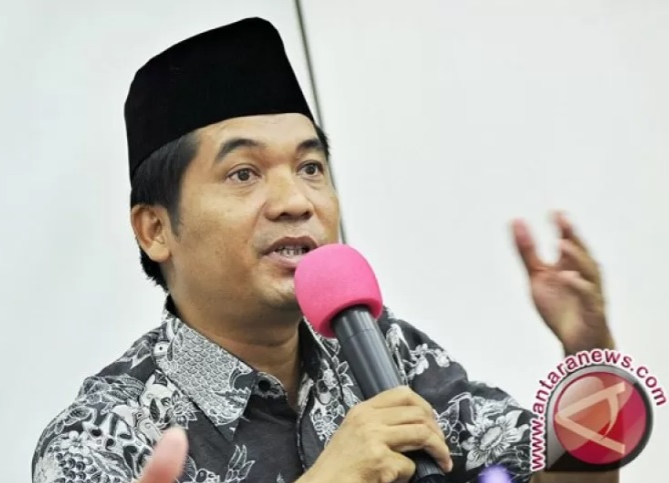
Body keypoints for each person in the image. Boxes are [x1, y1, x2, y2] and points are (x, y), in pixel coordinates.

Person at [31, 17, 618, 483]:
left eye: (310, 167)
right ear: (156, 229)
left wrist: (589, 356)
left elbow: (559, 474)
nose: (295, 201)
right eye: (243, 174)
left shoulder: (382, 349)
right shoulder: (101, 438)